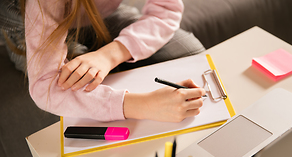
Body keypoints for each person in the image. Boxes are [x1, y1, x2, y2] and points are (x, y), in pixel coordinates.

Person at [1, 0, 206, 122]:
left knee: (190, 53)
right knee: (80, 83)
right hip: (30, 22)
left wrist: (110, 55)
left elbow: (166, 11)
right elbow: (45, 86)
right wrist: (141, 105)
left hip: (96, 12)